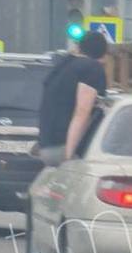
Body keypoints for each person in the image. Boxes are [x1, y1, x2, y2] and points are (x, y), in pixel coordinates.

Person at [38, 30, 108, 166]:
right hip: (67, 147)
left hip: (47, 146)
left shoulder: (62, 66)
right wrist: (69, 156)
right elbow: (82, 112)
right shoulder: (91, 68)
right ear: (102, 54)